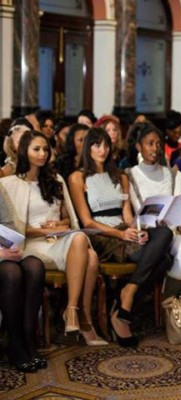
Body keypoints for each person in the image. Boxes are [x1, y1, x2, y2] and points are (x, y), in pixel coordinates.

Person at [69, 128, 173, 347]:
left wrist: (138, 230)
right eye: (97, 145)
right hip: (100, 234)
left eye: (106, 145)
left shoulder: (120, 176)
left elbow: (128, 217)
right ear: (88, 147)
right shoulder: (77, 177)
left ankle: (127, 294)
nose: (102, 150)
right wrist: (121, 234)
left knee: (164, 233)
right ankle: (125, 304)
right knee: (163, 260)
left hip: (123, 228)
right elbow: (86, 222)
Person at [1, 131, 106, 345]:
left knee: (82, 244)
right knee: (91, 256)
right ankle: (80, 318)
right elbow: (15, 229)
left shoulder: (55, 179)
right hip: (31, 246)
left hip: (59, 241)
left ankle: (72, 309)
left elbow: (69, 221)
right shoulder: (10, 184)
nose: (42, 154)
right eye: (36, 149)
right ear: (24, 151)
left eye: (45, 149)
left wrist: (59, 225)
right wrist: (43, 231)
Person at [126, 124, 181, 300]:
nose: (155, 148)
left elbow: (178, 205)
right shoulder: (130, 175)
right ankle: (169, 299)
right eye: (149, 143)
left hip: (174, 229)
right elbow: (138, 213)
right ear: (139, 147)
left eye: (158, 144)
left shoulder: (174, 175)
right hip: (152, 233)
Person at [0, 184, 46, 372]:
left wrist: (9, 245)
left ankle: (28, 338)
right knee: (11, 273)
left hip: (2, 252)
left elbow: (6, 223)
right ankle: (15, 342)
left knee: (34, 265)